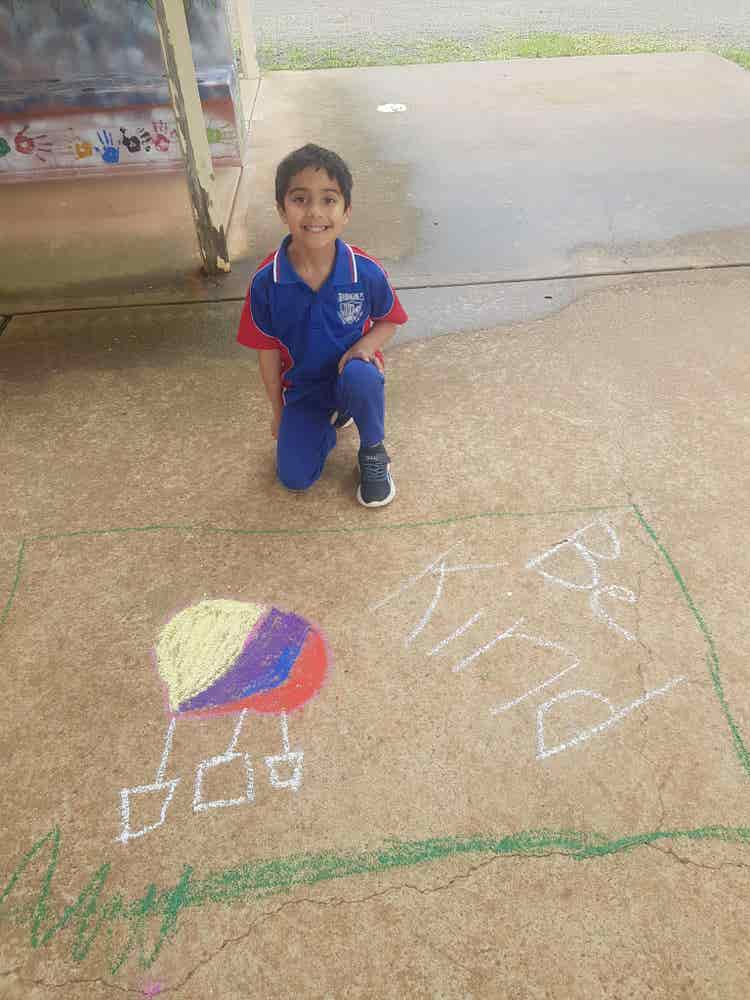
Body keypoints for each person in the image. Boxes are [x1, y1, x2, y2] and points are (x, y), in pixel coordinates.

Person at [237, 144, 408, 507]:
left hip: (350, 373)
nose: (315, 212)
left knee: (362, 374)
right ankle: (325, 422)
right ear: (281, 209)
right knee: (294, 478)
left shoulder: (364, 270)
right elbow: (266, 355)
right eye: (300, 199)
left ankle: (374, 452)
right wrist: (279, 415)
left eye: (328, 200)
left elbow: (390, 319)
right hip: (303, 391)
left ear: (346, 211)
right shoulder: (266, 282)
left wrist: (365, 346)